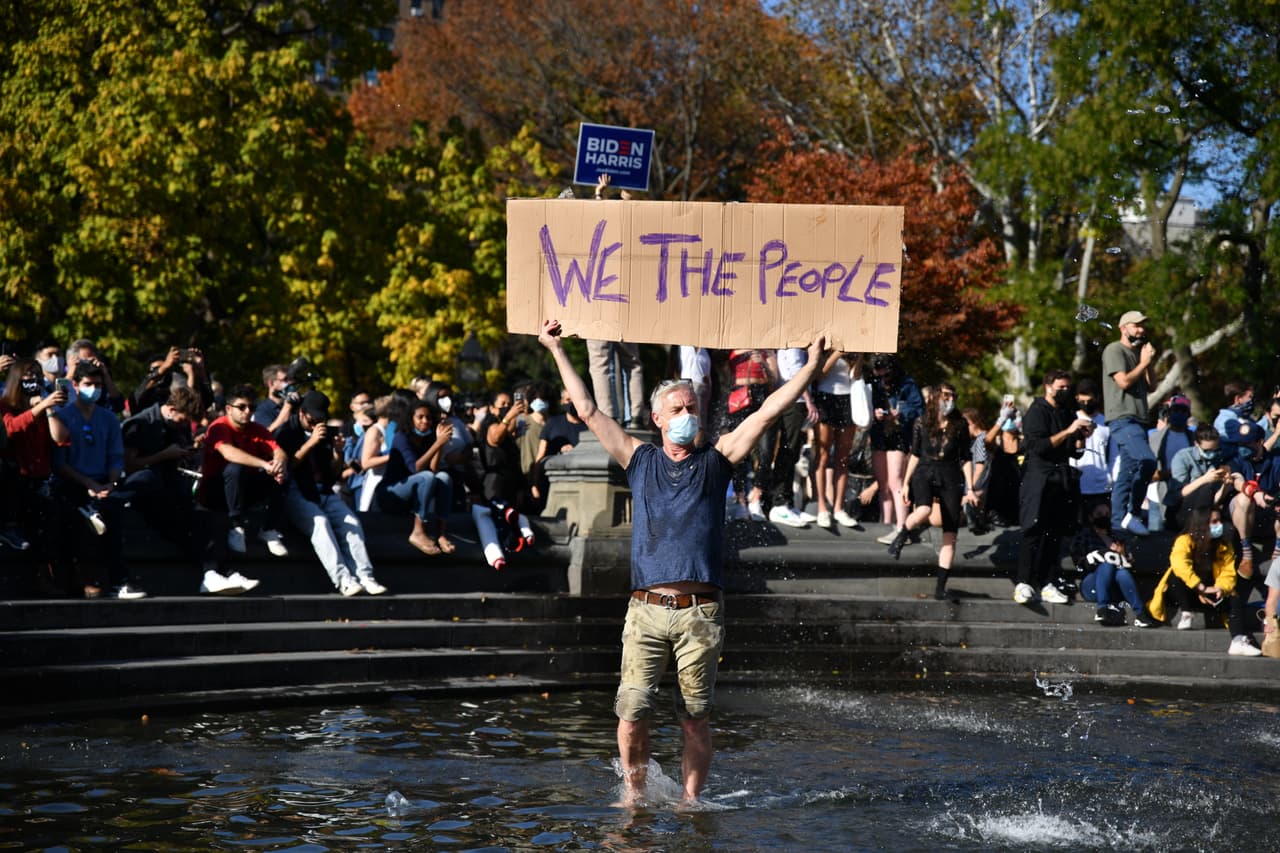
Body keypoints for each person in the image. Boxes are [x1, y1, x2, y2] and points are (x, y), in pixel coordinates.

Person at [539, 317, 827, 807]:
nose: (687, 414)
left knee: (695, 716)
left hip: (700, 612)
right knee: (631, 712)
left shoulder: (715, 462)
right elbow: (587, 410)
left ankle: (691, 801)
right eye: (677, 408)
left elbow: (765, 414)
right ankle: (634, 795)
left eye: (692, 406)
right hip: (646, 609)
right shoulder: (639, 459)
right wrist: (556, 349)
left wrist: (812, 368)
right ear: (658, 419)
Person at [121, 385, 251, 594]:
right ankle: (213, 571)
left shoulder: (175, 424)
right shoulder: (141, 423)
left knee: (206, 514)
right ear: (171, 409)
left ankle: (219, 571)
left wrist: (186, 451)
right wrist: (164, 455)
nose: (183, 424)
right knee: (183, 523)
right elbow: (129, 465)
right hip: (146, 489)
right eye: (182, 420)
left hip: (171, 484)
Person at [48, 360, 146, 599]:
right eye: (88, 384)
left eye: (98, 384)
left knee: (113, 509)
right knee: (76, 517)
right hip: (73, 483)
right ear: (75, 385)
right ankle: (80, 578)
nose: (94, 388)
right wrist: (88, 485)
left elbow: (115, 456)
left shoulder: (108, 418)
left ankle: (119, 581)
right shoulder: (64, 416)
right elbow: (60, 462)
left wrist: (109, 483)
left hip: (103, 483)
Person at [277, 390, 386, 596]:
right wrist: (310, 443)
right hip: (295, 491)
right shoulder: (287, 432)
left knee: (352, 523)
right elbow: (286, 467)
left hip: (322, 491)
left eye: (320, 419)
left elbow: (334, 474)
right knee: (320, 524)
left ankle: (365, 576)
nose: (316, 423)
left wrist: (337, 453)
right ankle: (343, 579)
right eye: (312, 419)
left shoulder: (325, 433)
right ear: (301, 413)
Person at [887, 383, 974, 600]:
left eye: (953, 396)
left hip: (950, 474)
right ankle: (903, 534)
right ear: (935, 398)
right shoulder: (922, 422)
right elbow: (915, 454)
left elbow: (966, 458)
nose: (949, 400)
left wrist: (970, 487)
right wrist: (906, 482)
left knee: (950, 535)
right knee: (924, 508)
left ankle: (940, 588)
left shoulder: (960, 425)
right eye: (945, 396)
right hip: (925, 470)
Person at [1013, 370, 1093, 605]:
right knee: (1033, 530)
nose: (1065, 392)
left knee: (1054, 534)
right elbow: (1038, 447)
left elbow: (1075, 452)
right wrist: (1068, 431)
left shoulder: (1067, 412)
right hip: (1039, 479)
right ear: (1048, 386)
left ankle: (1047, 582)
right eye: (1061, 387)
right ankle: (1024, 582)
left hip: (1062, 479)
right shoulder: (1036, 412)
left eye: (1068, 388)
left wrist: (1082, 436)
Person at [1146, 506, 1262, 656]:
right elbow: (1180, 564)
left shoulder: (1224, 546)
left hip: (1210, 595)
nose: (1219, 525)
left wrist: (1221, 588)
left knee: (1233, 599)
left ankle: (1238, 640)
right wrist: (1199, 587)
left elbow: (1228, 573)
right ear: (1202, 524)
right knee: (1175, 575)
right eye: (1214, 521)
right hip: (1184, 593)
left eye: (1219, 521)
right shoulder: (1184, 540)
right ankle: (1186, 613)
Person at [198, 385, 290, 558]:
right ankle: (235, 525)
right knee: (235, 467)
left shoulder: (257, 429)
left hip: (243, 491)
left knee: (282, 473)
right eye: (241, 407)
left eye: (251, 407)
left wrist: (279, 464)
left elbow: (279, 451)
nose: (247, 412)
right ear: (228, 409)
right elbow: (228, 453)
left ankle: (269, 529)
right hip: (215, 493)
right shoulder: (218, 427)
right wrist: (264, 464)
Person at [0, 359, 68, 587]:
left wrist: (48, 408)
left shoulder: (44, 404)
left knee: (54, 516)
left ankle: (49, 574)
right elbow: (10, 429)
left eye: (37, 376)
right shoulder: (5, 404)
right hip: (14, 478)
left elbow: (61, 438)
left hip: (40, 477)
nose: (33, 381)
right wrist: (35, 408)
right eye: (27, 376)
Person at [1102, 310, 1157, 535]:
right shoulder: (1114, 349)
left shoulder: (1139, 354)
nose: (1141, 330)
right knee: (1147, 461)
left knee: (1127, 471)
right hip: (1123, 418)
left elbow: (1152, 385)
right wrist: (1143, 363)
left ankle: (1118, 520)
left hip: (1140, 418)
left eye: (1143, 326)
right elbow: (1123, 382)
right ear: (1123, 328)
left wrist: (1149, 362)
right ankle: (1132, 513)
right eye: (1136, 325)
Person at [1069, 501, 1154, 627]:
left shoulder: (1117, 538)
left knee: (1122, 572)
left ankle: (1140, 614)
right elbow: (1079, 561)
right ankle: (1102, 609)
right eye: (1099, 514)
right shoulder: (1085, 536)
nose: (1103, 516)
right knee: (1107, 564)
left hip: (1115, 587)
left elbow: (1130, 564)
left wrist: (1123, 554)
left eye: (1107, 514)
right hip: (1092, 585)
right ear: (1091, 517)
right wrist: (1104, 554)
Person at [868, 355, 924, 543]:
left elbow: (919, 408)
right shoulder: (873, 382)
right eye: (879, 374)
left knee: (896, 481)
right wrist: (876, 412)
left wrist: (900, 412)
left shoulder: (907, 383)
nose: (883, 378)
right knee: (883, 483)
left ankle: (902, 527)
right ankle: (886, 523)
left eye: (885, 374)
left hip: (899, 434)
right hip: (878, 433)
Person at [764, 347, 818, 528]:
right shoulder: (793, 347)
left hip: (796, 401)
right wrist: (809, 401)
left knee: (793, 452)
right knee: (788, 451)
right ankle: (779, 502)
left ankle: (786, 502)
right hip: (794, 401)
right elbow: (797, 374)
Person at [812, 352, 859, 529]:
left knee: (843, 458)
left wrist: (859, 356)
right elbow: (820, 373)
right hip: (825, 397)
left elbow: (856, 375)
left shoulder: (852, 348)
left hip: (848, 399)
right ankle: (822, 507)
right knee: (823, 457)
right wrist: (838, 352)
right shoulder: (826, 348)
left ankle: (839, 508)